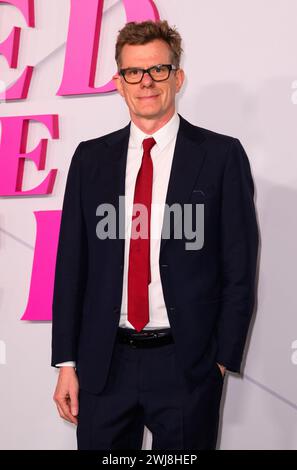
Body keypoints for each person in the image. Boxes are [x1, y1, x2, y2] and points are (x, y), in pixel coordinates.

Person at [52, 19, 259, 450]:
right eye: (133, 72)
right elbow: (72, 266)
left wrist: (219, 361)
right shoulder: (90, 160)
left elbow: (239, 267)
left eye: (158, 70)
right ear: (119, 83)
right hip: (103, 364)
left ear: (177, 77)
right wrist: (67, 362)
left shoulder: (221, 156)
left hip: (187, 364)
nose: (145, 82)